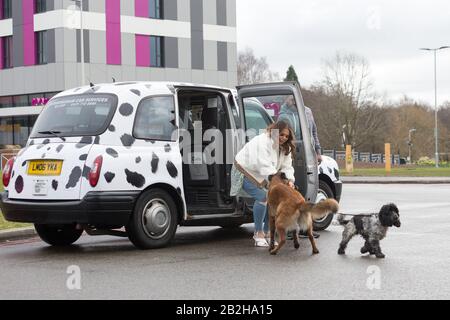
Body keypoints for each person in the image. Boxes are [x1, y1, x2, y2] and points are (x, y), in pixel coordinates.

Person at [230, 121, 296, 247]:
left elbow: (287, 167)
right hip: (244, 169)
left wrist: (290, 181)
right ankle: (258, 233)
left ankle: (268, 233)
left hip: (264, 173)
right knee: (264, 197)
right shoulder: (262, 141)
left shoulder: (285, 147)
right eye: (281, 134)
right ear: (275, 131)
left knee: (273, 199)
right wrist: (280, 184)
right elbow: (264, 165)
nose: (284, 138)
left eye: (287, 136)